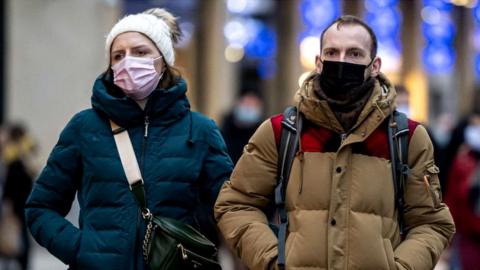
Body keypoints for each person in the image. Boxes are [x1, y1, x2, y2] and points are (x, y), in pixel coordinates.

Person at [215, 15, 455, 270]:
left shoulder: (405, 137)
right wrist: (274, 260)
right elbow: (236, 204)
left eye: (354, 54)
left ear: (375, 66)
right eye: (332, 52)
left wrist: (401, 267)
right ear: (318, 63)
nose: (341, 61)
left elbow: (432, 223)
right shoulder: (281, 132)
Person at [25, 8, 233, 270]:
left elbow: (233, 209)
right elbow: (40, 207)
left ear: (163, 59)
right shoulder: (84, 127)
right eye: (118, 55)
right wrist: (81, 251)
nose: (128, 62)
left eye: (141, 52)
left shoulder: (200, 130)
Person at [444, 111, 480, 270]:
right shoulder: (463, 162)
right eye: (474, 126)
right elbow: (453, 201)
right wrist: (447, 241)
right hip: (468, 239)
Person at [1, 124, 36, 270]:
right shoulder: (27, 151)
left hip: (16, 202)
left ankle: (15, 260)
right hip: (27, 200)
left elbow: (10, 182)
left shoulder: (12, 155)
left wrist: (6, 201)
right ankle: (22, 261)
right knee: (21, 234)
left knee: (13, 233)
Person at [221, 91, 264, 164]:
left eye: (253, 104)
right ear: (237, 103)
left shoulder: (263, 134)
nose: (248, 108)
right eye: (246, 103)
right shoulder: (224, 133)